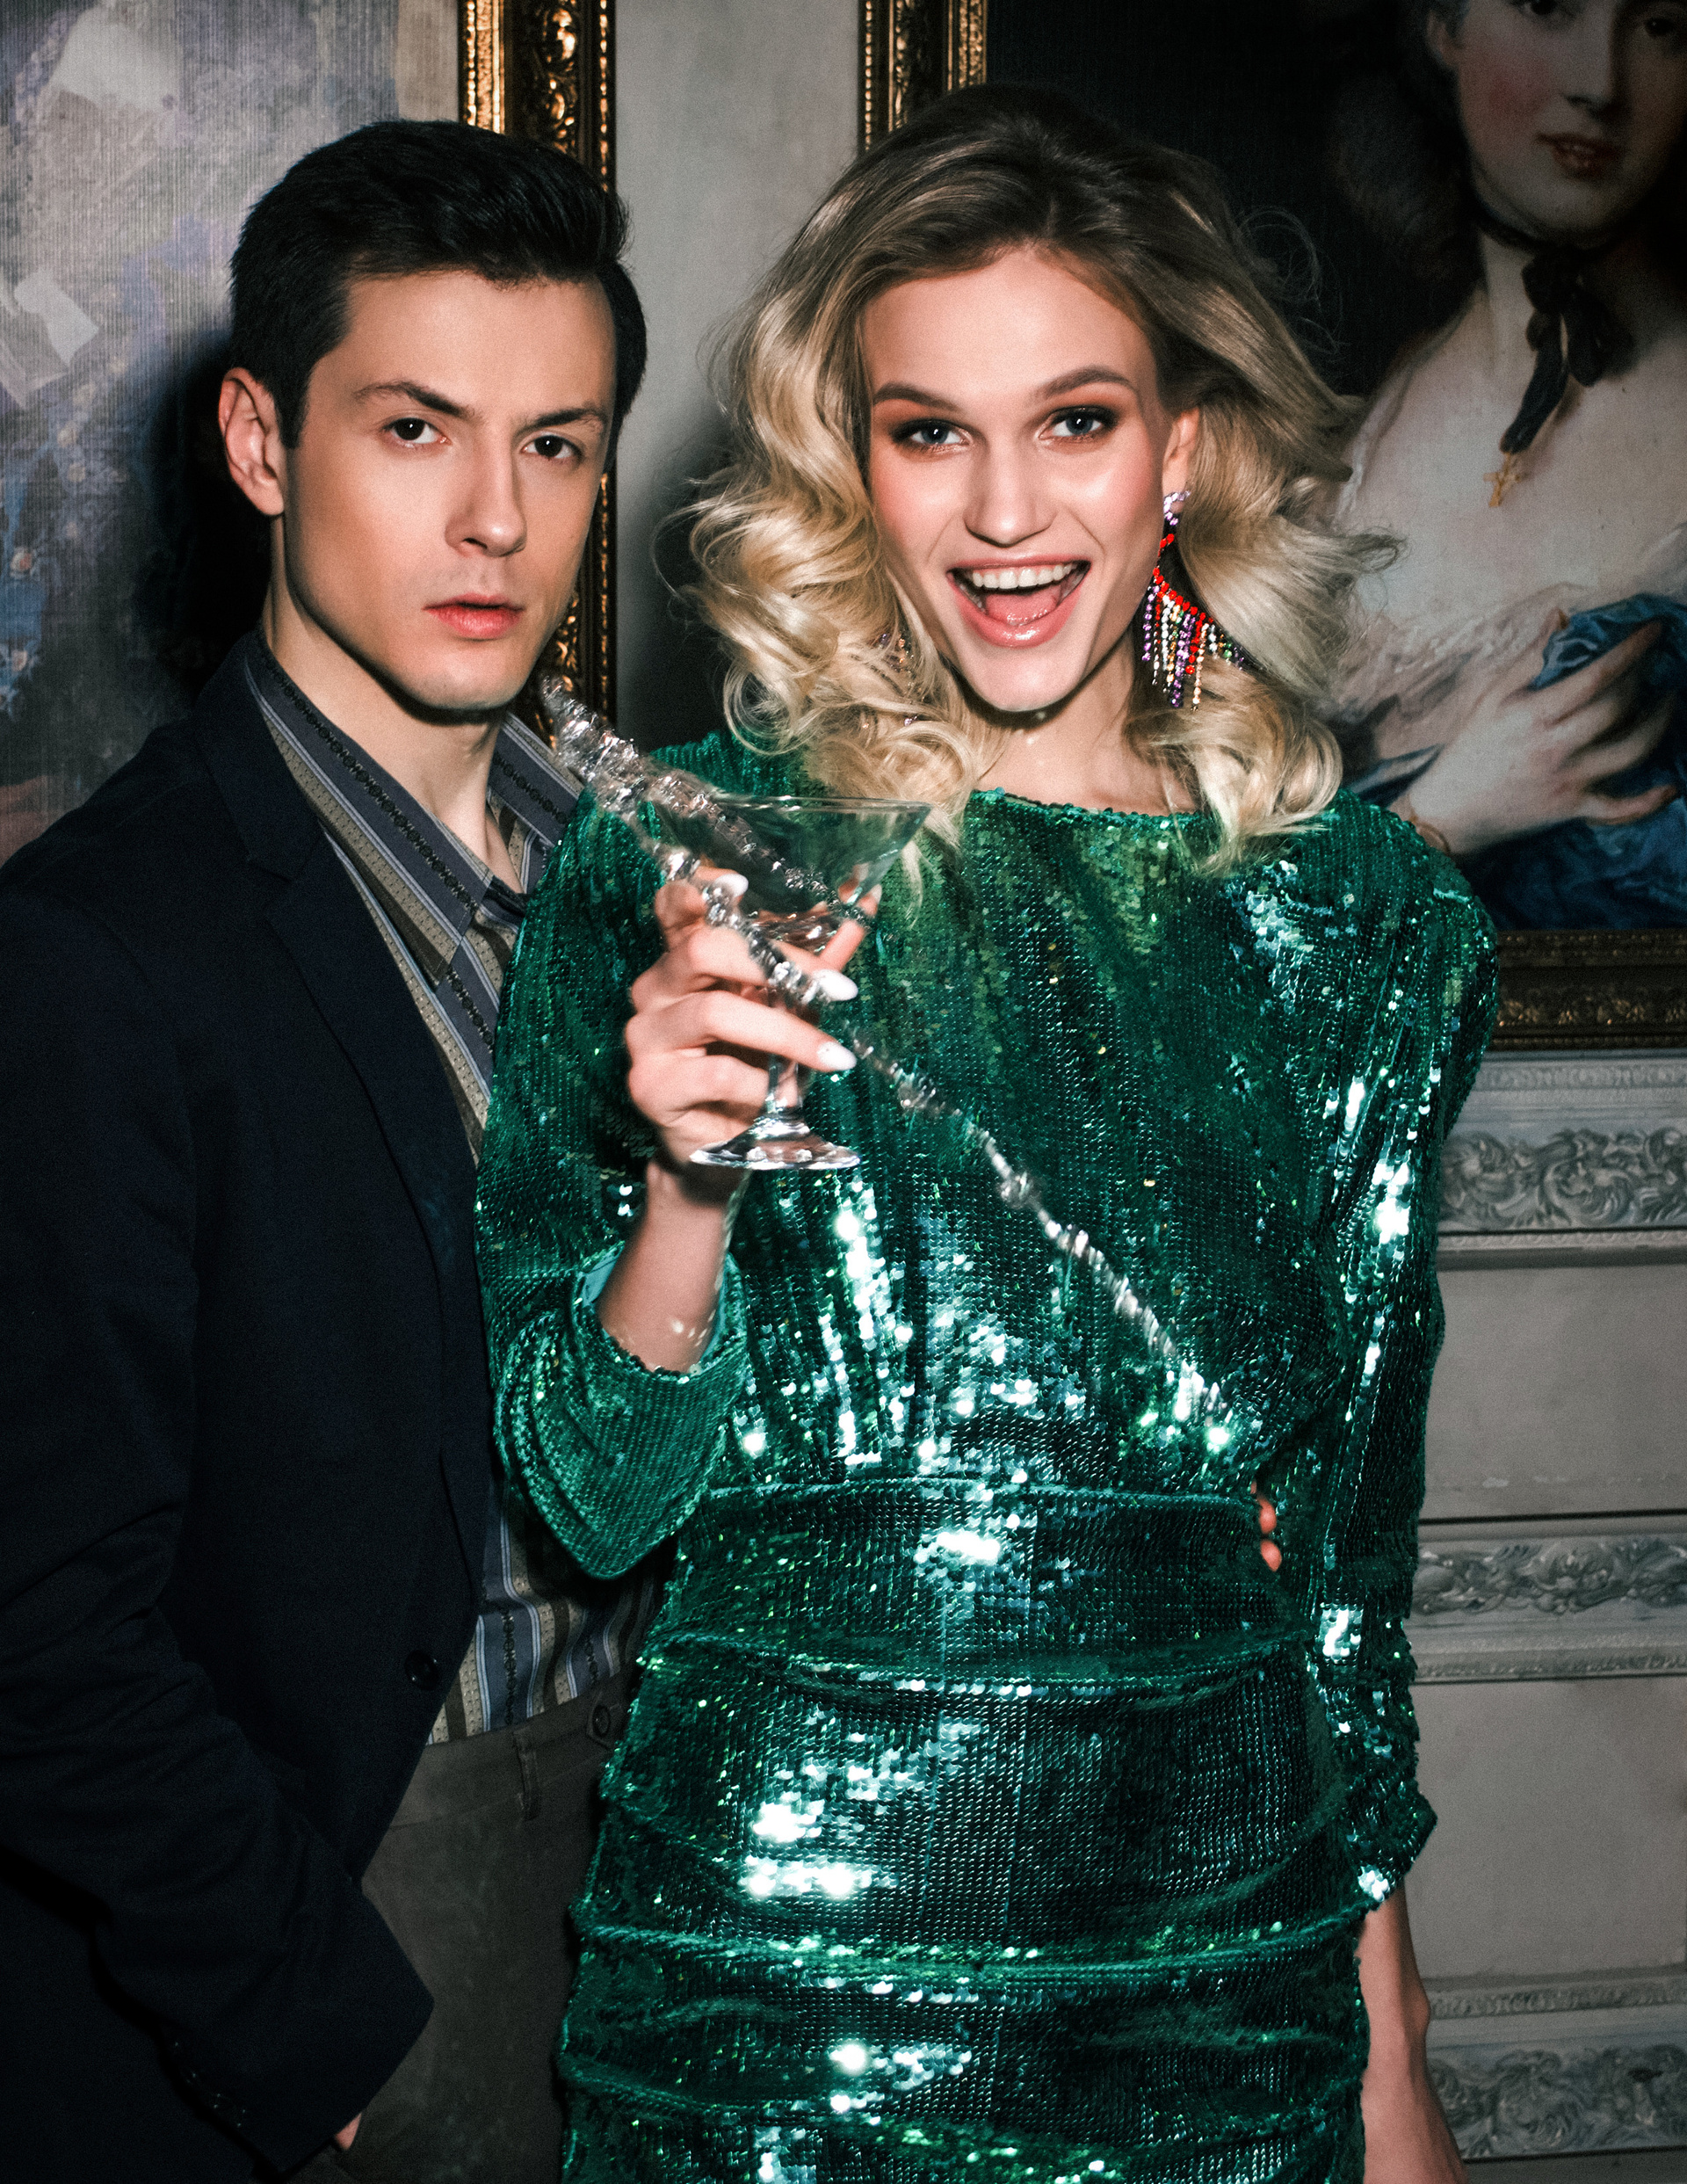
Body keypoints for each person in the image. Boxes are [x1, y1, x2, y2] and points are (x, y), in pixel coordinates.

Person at [477, 88, 1495, 2184]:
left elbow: (1338, 1575)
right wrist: (687, 1184)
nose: (1005, 510)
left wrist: (1391, 2053)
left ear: (1180, 449)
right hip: (770, 2008)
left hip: (1218, 2003)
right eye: (928, 428)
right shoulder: (684, 877)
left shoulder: (1363, 928)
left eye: (1077, 421)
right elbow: (589, 1495)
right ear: (850, 463)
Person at [0, 120, 655, 2183]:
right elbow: (36, 1618)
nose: (496, 520)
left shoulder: (650, 882)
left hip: (677, 1896)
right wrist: (315, 2025)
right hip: (339, 1930)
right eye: (416, 430)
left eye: (557, 446)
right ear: (262, 445)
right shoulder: (92, 953)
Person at [1328, 0, 1687, 925]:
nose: (1600, 84)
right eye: (1547, 6)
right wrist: (1445, 816)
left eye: (1660, 25)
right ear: (1442, 24)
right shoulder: (1347, 446)